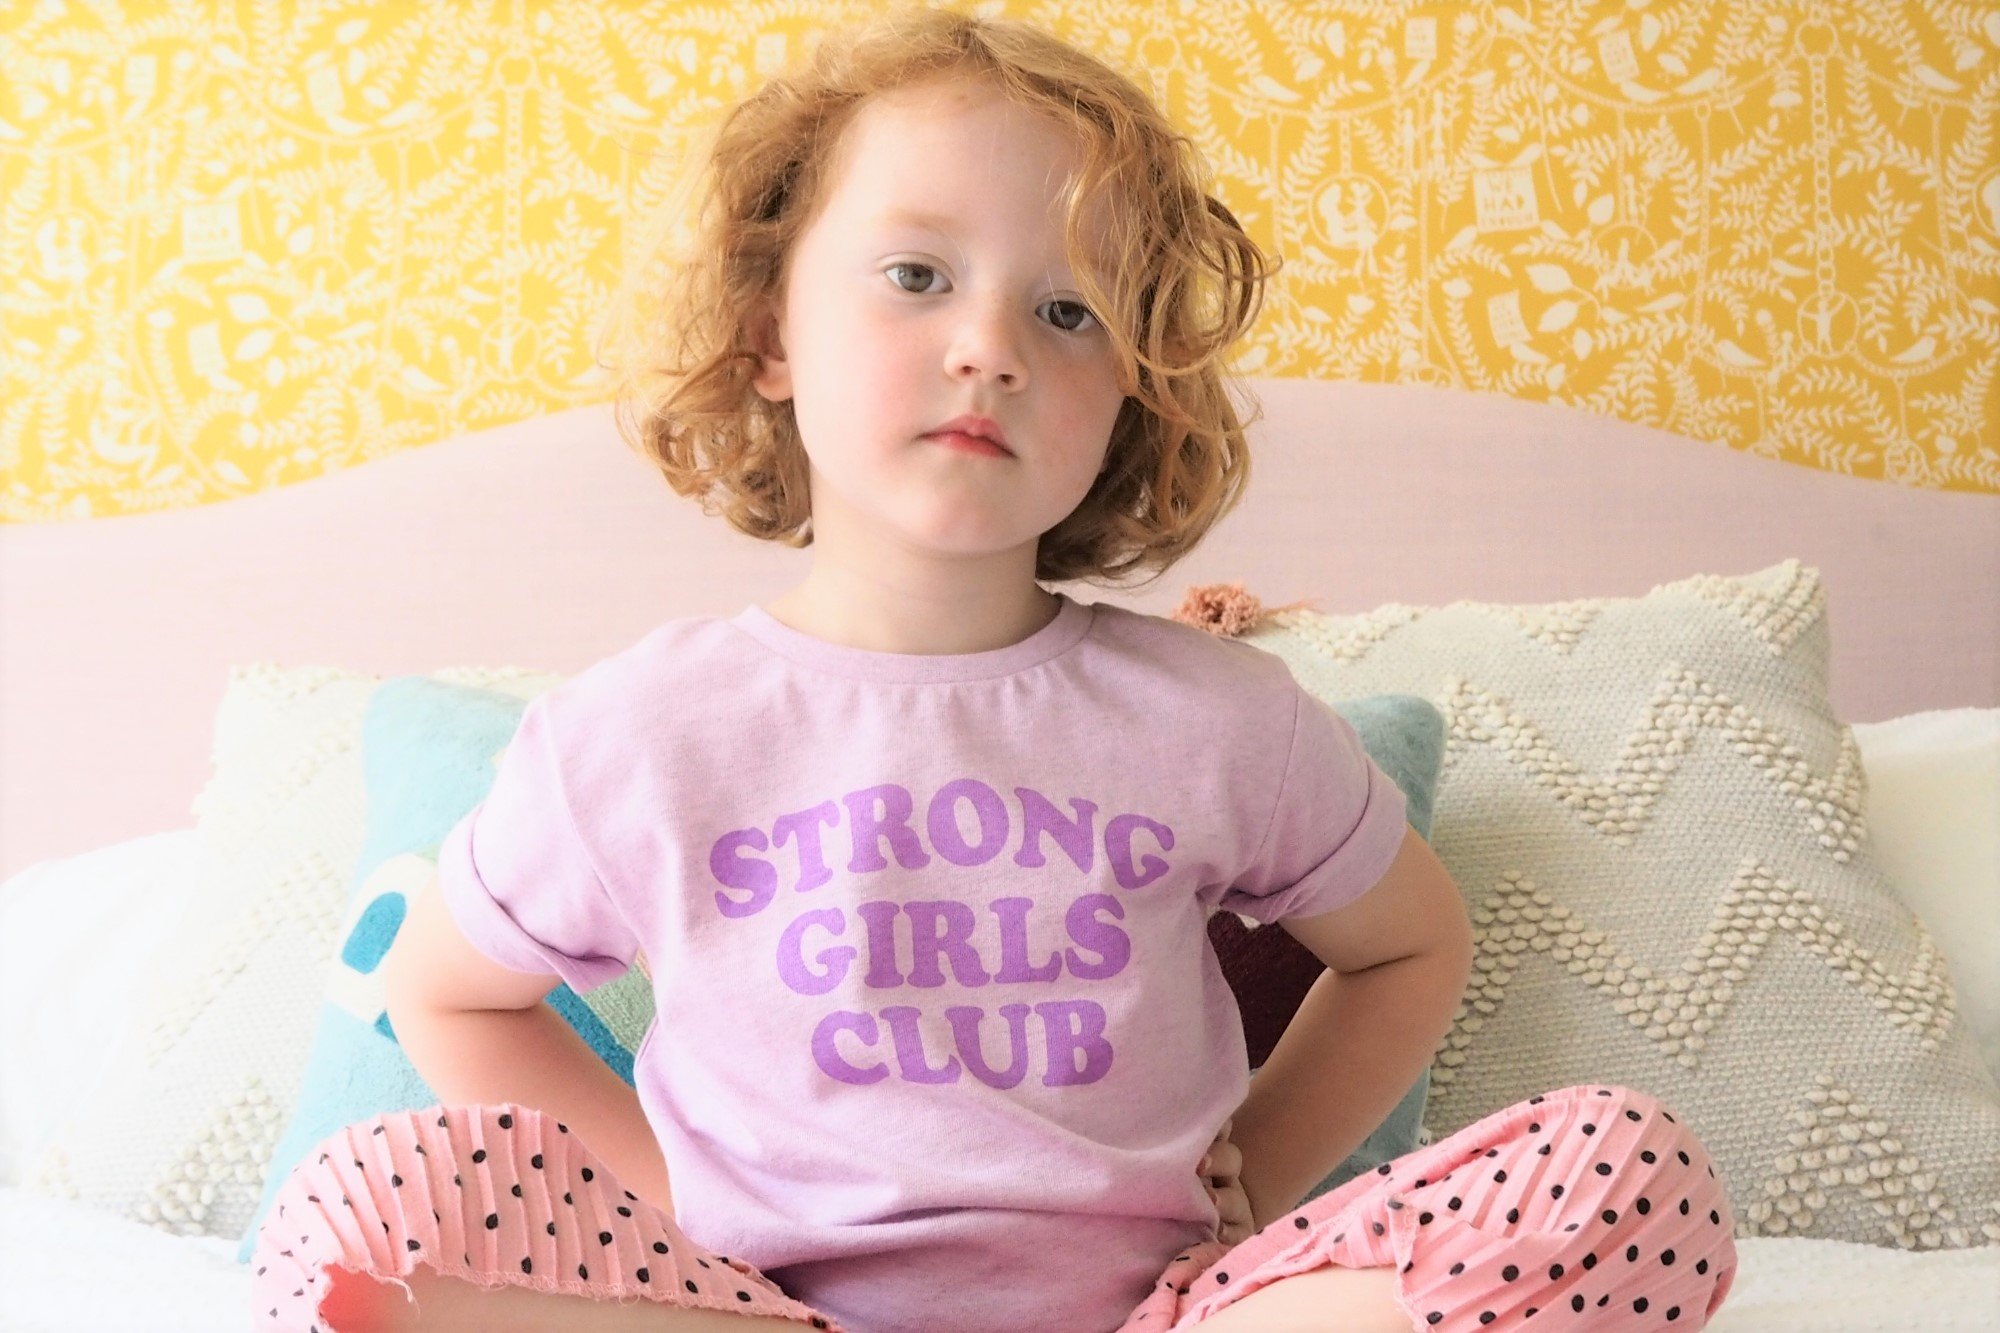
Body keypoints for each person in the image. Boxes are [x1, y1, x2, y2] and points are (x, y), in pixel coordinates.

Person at [248, 9, 1739, 1331]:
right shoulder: (641, 730)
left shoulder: (1218, 719)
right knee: (356, 1218)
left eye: (1070, 311)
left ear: (1130, 392)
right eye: (915, 273)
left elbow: (1411, 943)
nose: (990, 346)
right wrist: (666, 1212)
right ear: (774, 334)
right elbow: (450, 994)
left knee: (1629, 1173)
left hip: (1163, 1308)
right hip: (758, 1314)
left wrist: (1263, 1175)